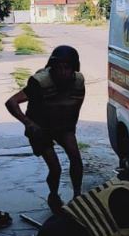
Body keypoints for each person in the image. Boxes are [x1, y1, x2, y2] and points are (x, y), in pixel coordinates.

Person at [5, 45, 85, 212]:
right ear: (52, 67)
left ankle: (78, 195)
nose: (63, 72)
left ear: (74, 68)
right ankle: (54, 195)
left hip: (63, 126)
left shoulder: (78, 82)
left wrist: (69, 129)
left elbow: (75, 108)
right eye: (59, 68)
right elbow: (11, 102)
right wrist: (29, 123)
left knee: (76, 159)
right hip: (40, 128)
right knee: (55, 167)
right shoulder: (39, 83)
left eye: (67, 68)